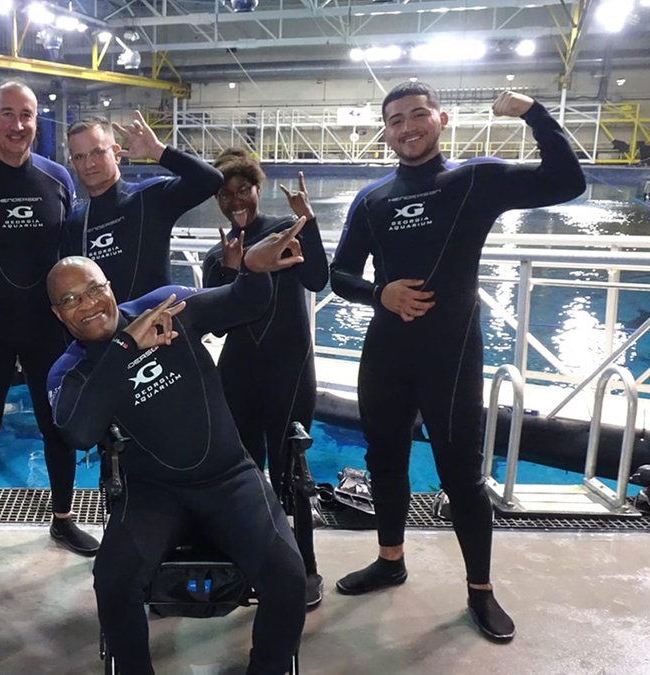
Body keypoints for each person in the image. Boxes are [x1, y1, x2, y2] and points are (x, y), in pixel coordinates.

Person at [328, 83, 586, 642]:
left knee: (462, 476)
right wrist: (381, 294)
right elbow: (340, 274)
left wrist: (533, 114)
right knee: (385, 460)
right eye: (395, 120)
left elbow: (569, 181)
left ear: (440, 120)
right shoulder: (372, 199)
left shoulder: (475, 180)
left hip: (451, 352)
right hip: (387, 352)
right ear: (386, 131)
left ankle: (480, 591)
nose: (407, 127)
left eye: (418, 115)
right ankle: (390, 559)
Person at [46, 218, 311, 675]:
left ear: (109, 287)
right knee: (113, 582)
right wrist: (127, 346)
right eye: (70, 301)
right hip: (154, 493)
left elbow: (245, 303)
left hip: (231, 477)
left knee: (289, 579)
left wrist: (252, 268)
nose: (87, 305)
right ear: (58, 315)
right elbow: (79, 433)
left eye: (93, 290)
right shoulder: (69, 371)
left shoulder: (162, 306)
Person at [0, 80, 98, 558]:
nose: (18, 125)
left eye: (26, 115)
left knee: (57, 423)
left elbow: (73, 253)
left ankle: (64, 520)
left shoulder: (56, 179)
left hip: (48, 326)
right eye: (7, 114)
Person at [200, 149, 328, 609]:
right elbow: (215, 325)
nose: (236, 201)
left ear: (258, 188)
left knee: (293, 474)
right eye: (225, 193)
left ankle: (305, 567)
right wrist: (234, 272)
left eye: (244, 189)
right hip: (238, 373)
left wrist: (308, 223)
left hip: (289, 368)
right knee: (246, 477)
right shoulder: (219, 252)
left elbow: (317, 278)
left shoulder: (284, 230)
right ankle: (253, 564)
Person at [62, 112, 222, 300]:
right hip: (106, 328)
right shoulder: (75, 222)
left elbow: (211, 180)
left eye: (97, 152)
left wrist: (158, 151)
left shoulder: (151, 197)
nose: (89, 163)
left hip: (155, 326)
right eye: (79, 157)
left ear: (116, 153)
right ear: (72, 163)